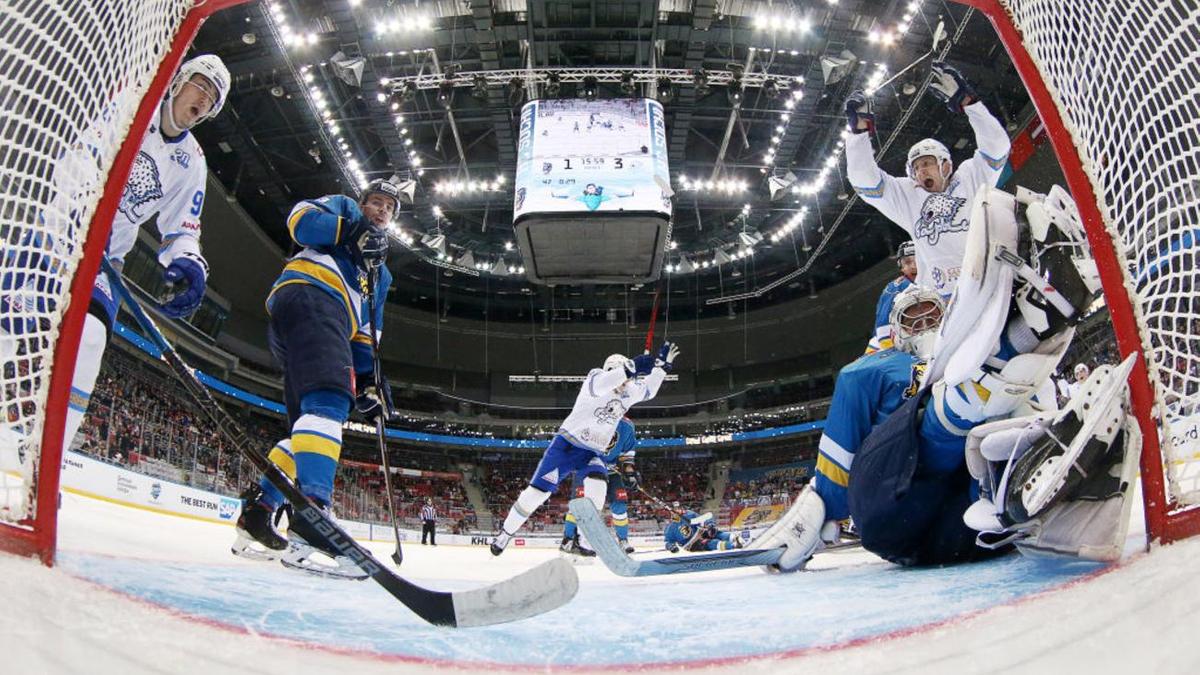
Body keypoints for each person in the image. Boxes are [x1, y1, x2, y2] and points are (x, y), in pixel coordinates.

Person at [755, 184, 1113, 571]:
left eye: (932, 316)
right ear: (896, 331)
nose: (925, 324)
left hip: (974, 529)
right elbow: (845, 449)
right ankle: (1027, 330)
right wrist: (820, 503)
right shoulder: (871, 370)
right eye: (914, 319)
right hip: (895, 514)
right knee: (955, 390)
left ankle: (1035, 473)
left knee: (1006, 394)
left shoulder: (959, 351)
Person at [0, 55, 230, 460]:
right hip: (57, 237)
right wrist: (83, 207)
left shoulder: (192, 161)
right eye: (201, 85)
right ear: (179, 81)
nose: (203, 98)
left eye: (212, 98)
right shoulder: (134, 102)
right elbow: (80, 157)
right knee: (9, 321)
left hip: (107, 261)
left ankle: (50, 458)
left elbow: (182, 227)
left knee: (91, 341)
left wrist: (190, 263)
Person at [232, 179, 400, 575]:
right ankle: (313, 519)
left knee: (306, 429)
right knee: (329, 399)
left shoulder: (381, 275)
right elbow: (300, 222)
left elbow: (367, 333)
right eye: (376, 202)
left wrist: (370, 382)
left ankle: (259, 512)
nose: (381, 210)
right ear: (363, 204)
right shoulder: (344, 209)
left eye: (389, 208)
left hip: (321, 319)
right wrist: (351, 229)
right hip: (312, 296)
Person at [491, 342, 680, 556]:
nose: (624, 383)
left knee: (598, 486)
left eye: (627, 380)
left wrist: (661, 368)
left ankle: (584, 539)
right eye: (621, 377)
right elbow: (605, 382)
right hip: (566, 446)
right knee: (536, 494)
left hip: (592, 452)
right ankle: (505, 534)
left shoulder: (628, 392)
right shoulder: (595, 378)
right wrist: (631, 368)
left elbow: (649, 390)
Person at [844, 62, 1011, 299]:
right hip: (943, 300)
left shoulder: (970, 178)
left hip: (990, 286)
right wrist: (859, 132)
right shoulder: (908, 197)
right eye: (916, 168)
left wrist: (969, 103)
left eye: (926, 163)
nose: (921, 172)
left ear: (946, 165)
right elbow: (864, 181)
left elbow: (997, 147)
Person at [560, 416, 638, 556]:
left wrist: (630, 474)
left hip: (612, 472)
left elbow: (628, 454)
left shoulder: (626, 426)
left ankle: (623, 540)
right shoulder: (590, 418)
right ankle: (568, 539)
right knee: (579, 504)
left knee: (620, 504)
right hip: (588, 468)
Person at [865, 240, 918, 353]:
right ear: (901, 267)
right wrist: (892, 351)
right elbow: (883, 328)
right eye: (908, 262)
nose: (914, 266)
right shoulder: (895, 288)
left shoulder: (933, 283)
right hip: (882, 350)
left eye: (917, 260)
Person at [663, 509, 747, 553]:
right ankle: (733, 545)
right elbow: (668, 542)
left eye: (678, 508)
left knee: (714, 533)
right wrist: (671, 547)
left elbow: (704, 518)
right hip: (690, 544)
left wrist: (710, 525)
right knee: (710, 543)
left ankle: (735, 538)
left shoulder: (689, 514)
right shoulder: (670, 528)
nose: (678, 511)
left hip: (699, 533)